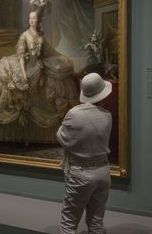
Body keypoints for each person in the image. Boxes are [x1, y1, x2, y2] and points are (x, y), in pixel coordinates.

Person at [0, 0, 79, 143]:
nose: (32, 21)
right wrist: (23, 73)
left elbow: (49, 52)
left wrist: (62, 59)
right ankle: (16, 135)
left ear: (39, 21)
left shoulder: (41, 37)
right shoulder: (24, 36)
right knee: (14, 90)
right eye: (30, 19)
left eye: (35, 19)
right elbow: (21, 56)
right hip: (24, 66)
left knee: (54, 83)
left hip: (40, 67)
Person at [57, 72, 112, 234]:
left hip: (81, 174)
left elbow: (62, 137)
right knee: (96, 221)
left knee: (69, 221)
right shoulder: (107, 116)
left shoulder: (74, 114)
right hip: (103, 171)